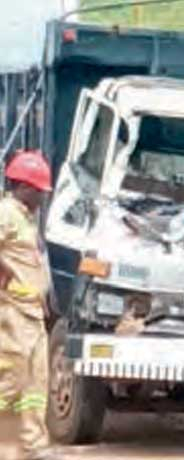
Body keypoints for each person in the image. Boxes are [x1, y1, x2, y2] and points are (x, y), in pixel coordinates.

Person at [0, 150, 56, 460]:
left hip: (32, 311)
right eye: (40, 192)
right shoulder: (6, 212)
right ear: (26, 187)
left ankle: (33, 444)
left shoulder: (25, 218)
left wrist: (42, 297)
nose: (43, 198)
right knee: (12, 379)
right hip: (12, 311)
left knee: (36, 381)